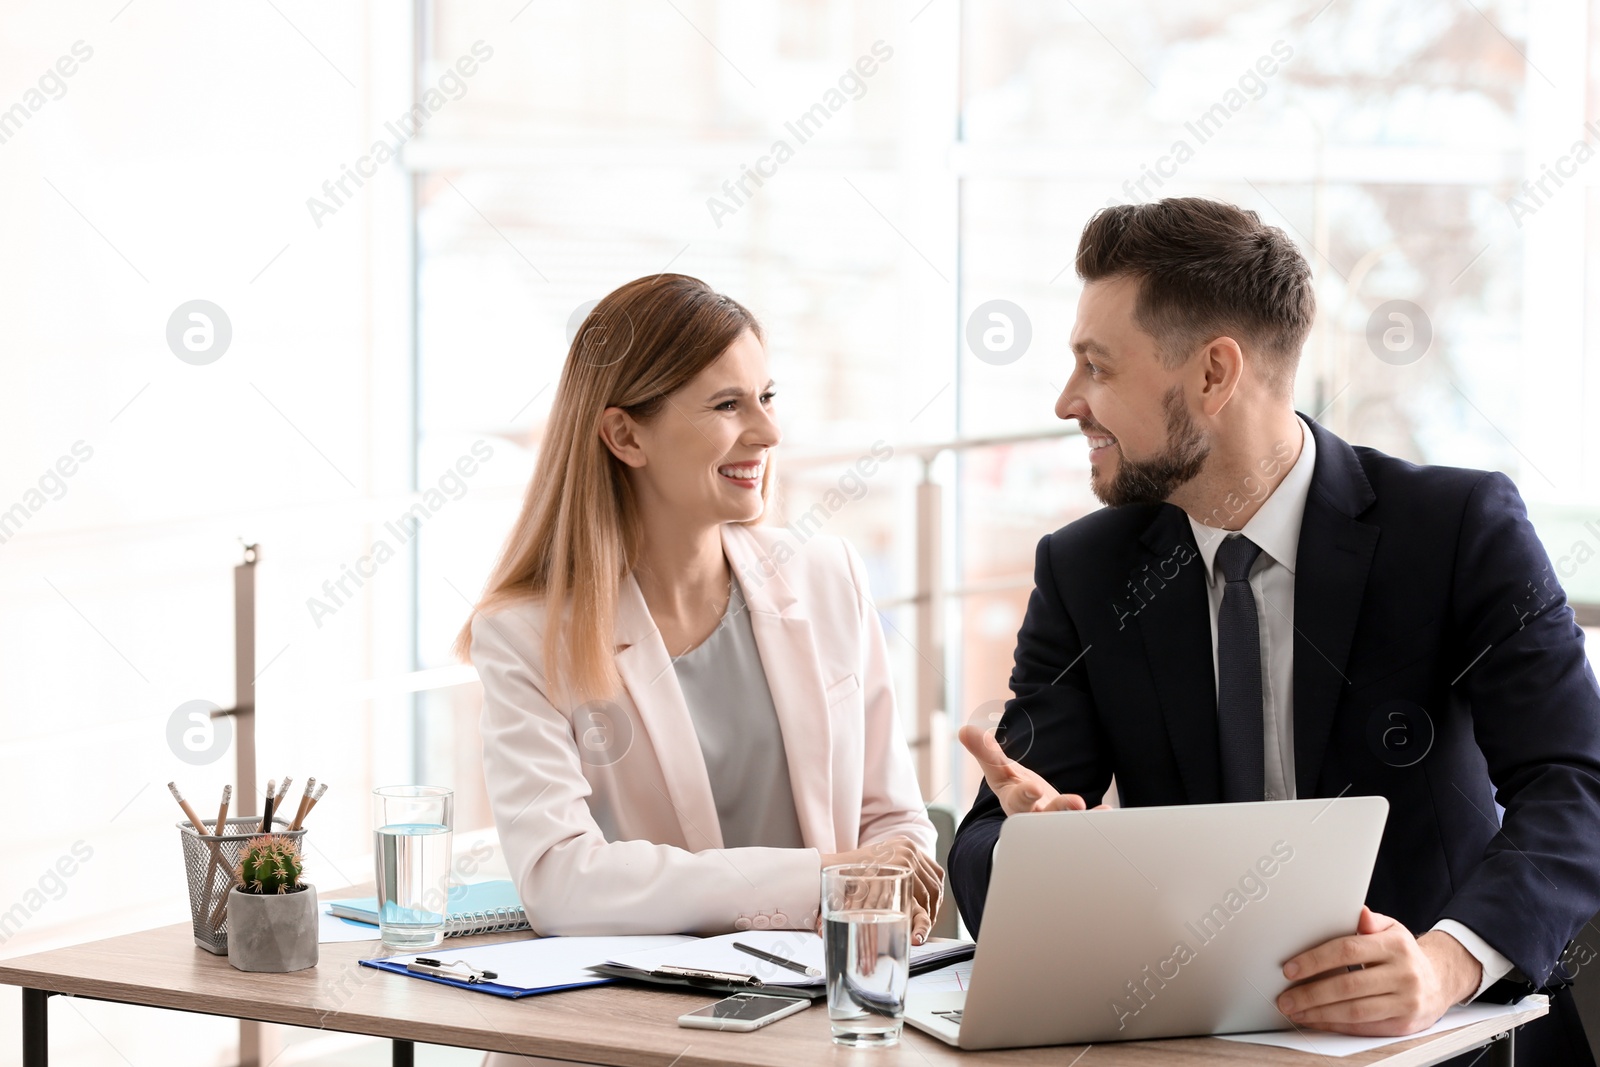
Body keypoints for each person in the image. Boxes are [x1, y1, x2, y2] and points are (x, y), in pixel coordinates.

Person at [947, 198, 1600, 1064]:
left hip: (1447, 1044)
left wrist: (1447, 963)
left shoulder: (1455, 528)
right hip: (1193, 1045)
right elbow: (992, 837)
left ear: (1215, 374)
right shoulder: (1087, 570)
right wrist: (1042, 863)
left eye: (1096, 367)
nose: (1068, 401)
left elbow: (1576, 780)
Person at [456, 274, 941, 1066]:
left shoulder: (826, 575)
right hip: (620, 1037)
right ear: (625, 436)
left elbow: (891, 821)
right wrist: (822, 879)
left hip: (821, 1026)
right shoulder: (525, 634)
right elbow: (560, 879)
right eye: (727, 406)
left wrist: (891, 872)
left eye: (767, 396)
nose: (767, 432)